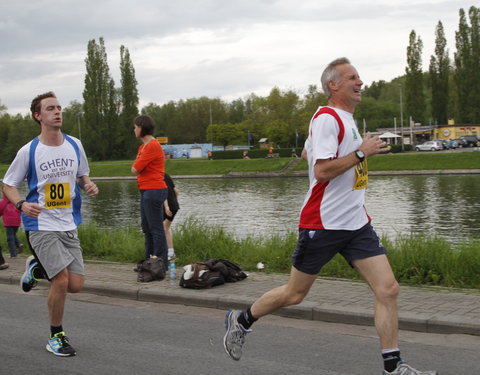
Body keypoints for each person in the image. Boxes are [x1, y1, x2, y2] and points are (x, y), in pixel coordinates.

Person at [223, 58, 437, 375]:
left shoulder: (346, 119)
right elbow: (322, 171)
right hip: (322, 223)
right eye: (353, 77)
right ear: (333, 85)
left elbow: (311, 155)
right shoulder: (326, 118)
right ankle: (241, 321)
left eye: (359, 77)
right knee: (294, 294)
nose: (360, 82)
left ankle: (393, 367)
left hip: (356, 223)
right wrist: (361, 152)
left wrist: (342, 151)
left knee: (388, 289)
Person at [2, 91, 99, 357]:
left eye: (59, 107)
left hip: (68, 223)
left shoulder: (75, 144)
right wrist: (21, 204)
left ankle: (36, 267)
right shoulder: (29, 151)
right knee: (61, 280)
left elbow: (82, 175)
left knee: (76, 284)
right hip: (40, 225)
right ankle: (56, 335)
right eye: (50, 108)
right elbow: (8, 185)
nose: (58, 112)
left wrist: (88, 184)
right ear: (38, 116)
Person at [131, 115, 169, 271]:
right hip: (145, 189)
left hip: (154, 189)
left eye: (135, 127)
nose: (134, 130)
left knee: (156, 228)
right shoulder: (143, 147)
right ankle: (149, 262)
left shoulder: (153, 145)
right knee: (146, 228)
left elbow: (135, 169)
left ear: (141, 127)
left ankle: (160, 264)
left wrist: (138, 167)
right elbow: (136, 167)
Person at [163, 173, 180, 260]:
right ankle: (170, 252)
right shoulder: (167, 175)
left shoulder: (158, 177)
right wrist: (174, 201)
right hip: (174, 206)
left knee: (163, 229)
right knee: (165, 229)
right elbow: (176, 191)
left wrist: (166, 206)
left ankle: (168, 253)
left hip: (167, 207)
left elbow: (163, 192)